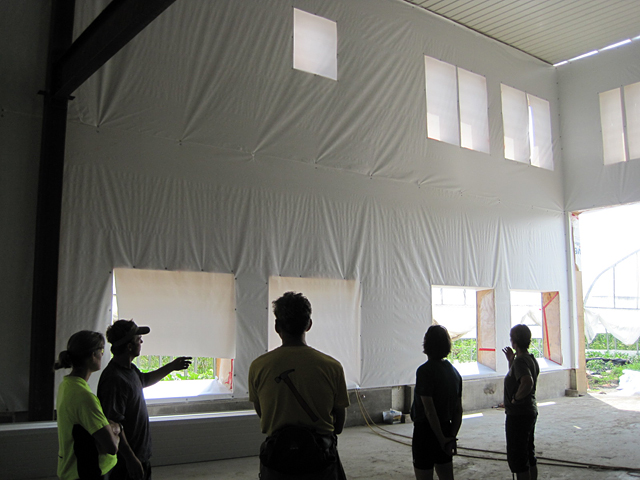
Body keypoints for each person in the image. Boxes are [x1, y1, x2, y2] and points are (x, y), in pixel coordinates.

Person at [248, 291, 350, 479]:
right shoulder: (332, 366)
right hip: (321, 459)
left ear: (277, 326)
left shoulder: (259, 366)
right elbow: (339, 423)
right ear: (309, 325)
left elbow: (262, 411)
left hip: (277, 460)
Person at [97, 319, 192, 480]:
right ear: (129, 346)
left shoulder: (129, 370)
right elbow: (113, 425)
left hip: (139, 456)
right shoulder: (114, 380)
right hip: (126, 462)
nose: (141, 341)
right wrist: (130, 458)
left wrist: (171, 366)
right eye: (137, 339)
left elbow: (144, 380)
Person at [55, 330, 121, 480]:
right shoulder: (84, 397)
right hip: (89, 473)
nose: (102, 354)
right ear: (93, 355)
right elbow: (112, 447)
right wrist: (117, 429)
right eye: (101, 350)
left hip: (74, 470)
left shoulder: (67, 386)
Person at [411, 325, 463, 480]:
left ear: (426, 345)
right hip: (447, 428)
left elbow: (429, 410)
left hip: (426, 432)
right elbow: (458, 410)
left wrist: (440, 438)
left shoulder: (424, 371)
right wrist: (451, 437)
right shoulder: (454, 373)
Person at [502, 324, 540, 480]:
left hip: (519, 415)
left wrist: (515, 398)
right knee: (528, 453)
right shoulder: (529, 359)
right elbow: (517, 379)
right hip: (529, 411)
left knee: (518, 458)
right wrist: (511, 361)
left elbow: (526, 382)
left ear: (514, 342)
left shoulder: (520, 362)